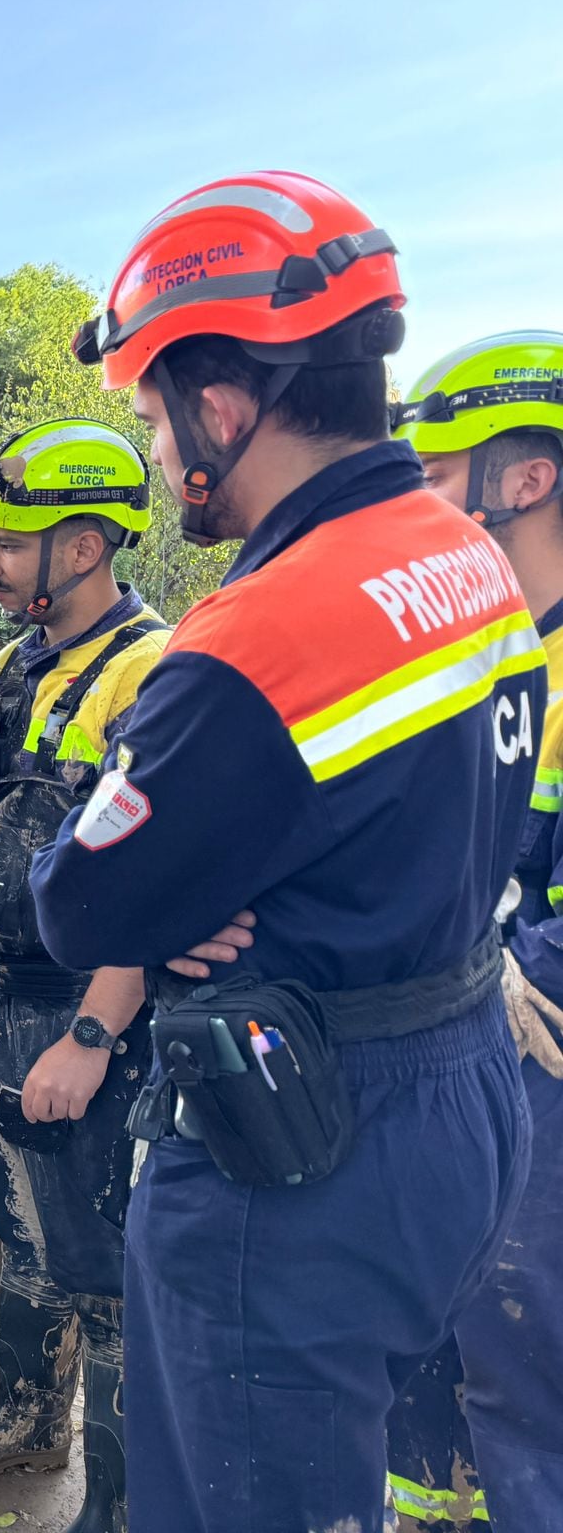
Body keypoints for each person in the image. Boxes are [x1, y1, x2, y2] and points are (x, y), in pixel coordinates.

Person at [34, 172, 539, 1532]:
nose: (152, 453)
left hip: (301, 1146)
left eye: (149, 414)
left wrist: (185, 875)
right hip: (455, 1097)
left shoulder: (255, 637)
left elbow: (82, 901)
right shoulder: (465, 554)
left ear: (222, 406)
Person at [0, 420, 167, 1533]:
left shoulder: (151, 673)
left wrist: (94, 1033)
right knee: (23, 1231)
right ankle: (26, 1417)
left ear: (80, 547)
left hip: (78, 1016)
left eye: (8, 542)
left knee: (106, 1258)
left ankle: (116, 1500)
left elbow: (160, 878)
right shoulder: (13, 662)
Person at [382, 331, 563, 1529]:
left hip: (533, 1059)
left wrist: (506, 965)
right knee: (423, 1335)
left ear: (525, 477)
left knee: (522, 1353)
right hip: (449, 1057)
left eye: (434, 477)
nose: (415, 508)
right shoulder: (483, 660)